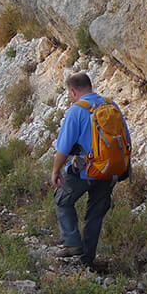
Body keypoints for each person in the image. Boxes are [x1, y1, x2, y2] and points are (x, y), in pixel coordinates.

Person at [50, 72, 130, 269]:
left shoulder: (76, 110)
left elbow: (64, 148)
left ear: (73, 91)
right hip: (110, 171)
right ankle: (87, 260)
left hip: (85, 171)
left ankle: (72, 243)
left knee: (62, 199)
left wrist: (55, 170)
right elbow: (126, 139)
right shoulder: (111, 106)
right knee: (95, 213)